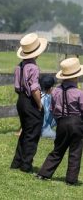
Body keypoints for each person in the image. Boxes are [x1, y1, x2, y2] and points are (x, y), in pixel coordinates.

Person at [37, 57, 83, 185]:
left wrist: (59, 120)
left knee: (58, 149)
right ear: (75, 77)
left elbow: (52, 109)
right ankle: (71, 180)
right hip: (76, 123)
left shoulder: (56, 91)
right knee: (75, 151)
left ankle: (44, 173)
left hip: (61, 123)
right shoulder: (79, 93)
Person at [10, 33, 48, 173]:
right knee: (33, 133)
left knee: (25, 131)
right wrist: (39, 104)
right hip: (30, 101)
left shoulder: (20, 66)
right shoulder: (33, 67)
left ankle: (17, 161)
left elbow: (16, 86)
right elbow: (34, 89)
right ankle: (26, 165)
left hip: (20, 100)